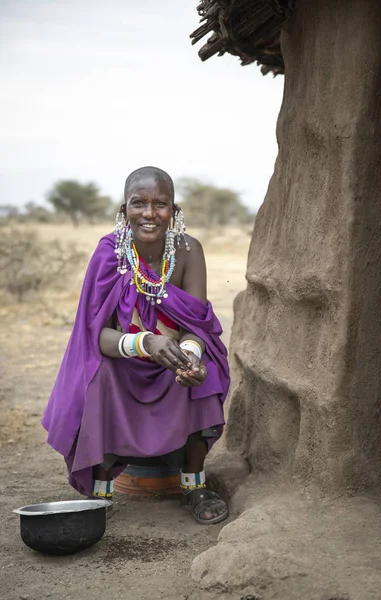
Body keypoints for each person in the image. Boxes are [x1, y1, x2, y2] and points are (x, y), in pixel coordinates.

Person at [42, 166, 230, 524]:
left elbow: (198, 325)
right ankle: (100, 490)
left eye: (160, 204)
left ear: (175, 211)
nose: (149, 213)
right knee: (99, 376)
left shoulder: (189, 251)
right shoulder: (108, 254)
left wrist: (189, 357)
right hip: (125, 359)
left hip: (172, 360)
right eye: (138, 203)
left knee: (207, 372)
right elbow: (96, 335)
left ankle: (194, 485)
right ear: (123, 208)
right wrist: (146, 343)